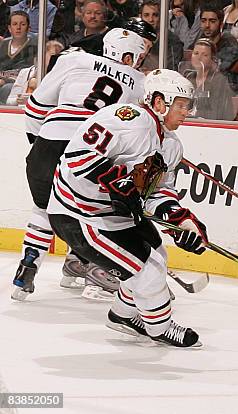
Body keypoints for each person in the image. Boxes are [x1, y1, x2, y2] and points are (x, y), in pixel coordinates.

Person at [46, 69, 207, 348]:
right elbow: (77, 158)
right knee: (147, 270)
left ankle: (123, 315)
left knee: (157, 254)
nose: (187, 112)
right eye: (181, 105)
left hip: (112, 214)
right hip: (78, 213)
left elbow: (157, 191)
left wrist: (180, 221)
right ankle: (160, 327)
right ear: (159, 102)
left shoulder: (170, 146)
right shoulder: (126, 121)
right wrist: (115, 181)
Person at [12, 28, 147, 302]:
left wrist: (38, 142)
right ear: (129, 56)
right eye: (138, 57)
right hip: (87, 150)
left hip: (48, 142)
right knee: (92, 212)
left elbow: (36, 107)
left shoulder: (72, 60)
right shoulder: (139, 81)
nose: (139, 62)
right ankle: (95, 269)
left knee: (44, 207)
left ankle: (28, 266)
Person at [198, 6, 238, 93]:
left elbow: (218, 70)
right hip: (207, 88)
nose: (207, 25)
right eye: (203, 21)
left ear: (221, 24)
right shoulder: (201, 42)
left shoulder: (231, 45)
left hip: (230, 90)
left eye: (212, 21)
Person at [185, 38, 235, 120]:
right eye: (196, 53)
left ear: (213, 59)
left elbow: (217, 113)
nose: (199, 58)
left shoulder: (219, 81)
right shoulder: (189, 77)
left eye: (204, 55)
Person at [0, 11, 36, 104]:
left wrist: (4, 80)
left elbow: (31, 72)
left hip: (20, 85)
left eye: (23, 24)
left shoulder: (35, 46)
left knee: (7, 88)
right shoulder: (3, 44)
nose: (18, 28)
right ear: (9, 28)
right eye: (14, 24)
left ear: (28, 28)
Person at [139, 0, 184, 72]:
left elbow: (171, 71)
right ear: (140, 17)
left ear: (161, 17)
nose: (151, 19)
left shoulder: (173, 42)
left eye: (155, 15)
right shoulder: (135, 37)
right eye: (146, 15)